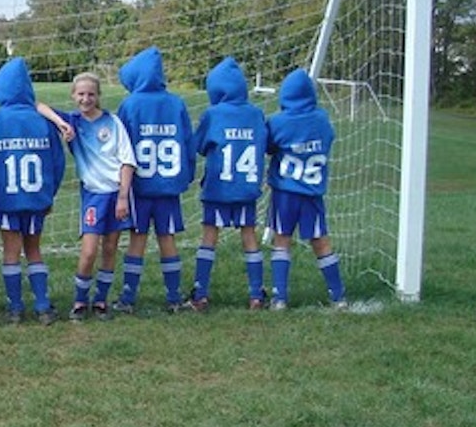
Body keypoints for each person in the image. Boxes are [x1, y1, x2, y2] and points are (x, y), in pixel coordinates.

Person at [0, 57, 69, 326]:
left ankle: (15, 308)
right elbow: (57, 162)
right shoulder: (43, 122)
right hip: (36, 199)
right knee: (35, 250)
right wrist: (49, 194)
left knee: (11, 252)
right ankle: (42, 305)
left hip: (6, 201)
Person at [113, 46, 195, 314]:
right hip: (168, 187)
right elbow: (188, 143)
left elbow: (121, 146)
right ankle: (174, 297)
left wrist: (120, 185)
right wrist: (187, 176)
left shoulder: (130, 105)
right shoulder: (176, 103)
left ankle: (128, 298)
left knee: (137, 240)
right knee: (167, 239)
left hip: (139, 187)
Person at [189, 57, 268, 310]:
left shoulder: (212, 114)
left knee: (209, 237)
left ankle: (200, 292)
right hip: (246, 188)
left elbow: (199, 146)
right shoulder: (256, 114)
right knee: (250, 237)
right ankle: (256, 294)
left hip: (218, 188)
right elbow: (265, 144)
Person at [58, 71, 136, 321]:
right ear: (73, 95)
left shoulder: (113, 122)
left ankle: (101, 300)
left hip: (116, 194)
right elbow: (39, 106)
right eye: (80, 94)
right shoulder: (73, 122)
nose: (86, 98)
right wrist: (62, 125)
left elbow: (127, 161)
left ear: (99, 96)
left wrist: (123, 196)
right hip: (93, 196)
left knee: (111, 248)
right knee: (89, 251)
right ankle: (80, 300)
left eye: (91, 94)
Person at [266, 68, 346, 310]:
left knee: (282, 241)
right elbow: (329, 139)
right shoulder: (322, 120)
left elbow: (269, 147)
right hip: (312, 195)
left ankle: (280, 297)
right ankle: (338, 296)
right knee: (321, 242)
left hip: (285, 195)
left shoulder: (278, 122)